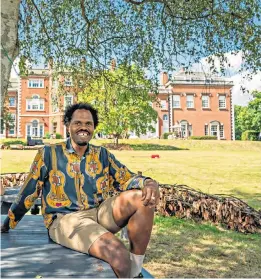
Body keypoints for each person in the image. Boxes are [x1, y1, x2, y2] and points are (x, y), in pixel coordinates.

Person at [1, 103, 160, 278]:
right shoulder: (48, 153)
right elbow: (29, 191)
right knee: (119, 256)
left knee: (141, 197)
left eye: (88, 123)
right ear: (68, 125)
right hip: (66, 219)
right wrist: (9, 222)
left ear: (93, 128)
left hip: (100, 213)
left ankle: (136, 271)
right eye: (78, 123)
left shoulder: (102, 154)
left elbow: (126, 177)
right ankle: (128, 271)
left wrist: (149, 182)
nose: (83, 127)